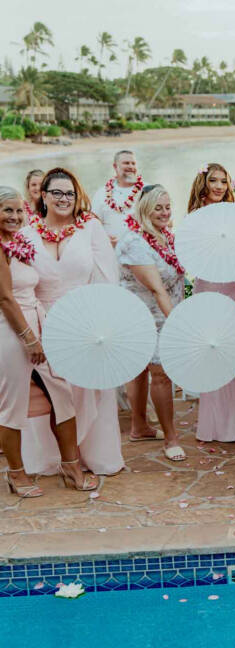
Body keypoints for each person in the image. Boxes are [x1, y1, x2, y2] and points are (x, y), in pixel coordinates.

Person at [19, 168, 123, 475]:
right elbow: (21, 283)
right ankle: (50, 458)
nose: (64, 199)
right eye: (57, 193)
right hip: (42, 321)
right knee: (51, 393)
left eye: (70, 193)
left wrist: (103, 321)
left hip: (85, 319)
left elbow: (107, 276)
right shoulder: (27, 233)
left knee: (91, 389)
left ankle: (97, 455)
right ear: (44, 196)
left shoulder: (90, 227)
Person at [0, 186, 97, 496]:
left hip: (38, 325)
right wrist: (29, 340)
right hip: (11, 331)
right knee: (11, 406)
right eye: (7, 210)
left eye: (18, 210)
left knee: (63, 393)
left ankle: (70, 465)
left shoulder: (17, 243)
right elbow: (5, 298)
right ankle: (16, 474)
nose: (15, 216)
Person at [188, 164, 235, 445]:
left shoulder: (234, 214)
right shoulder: (196, 218)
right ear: (203, 183)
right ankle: (219, 425)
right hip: (211, 285)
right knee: (216, 352)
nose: (218, 186)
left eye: (223, 181)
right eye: (213, 181)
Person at [116, 185, 187, 460]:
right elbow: (157, 289)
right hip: (146, 315)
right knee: (159, 372)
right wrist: (181, 324)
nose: (165, 212)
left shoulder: (166, 236)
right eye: (158, 208)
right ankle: (171, 439)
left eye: (168, 207)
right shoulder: (134, 242)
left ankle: (139, 426)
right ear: (144, 209)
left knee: (141, 370)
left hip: (166, 309)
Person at [90, 150, 144, 244]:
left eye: (133, 163)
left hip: (141, 250)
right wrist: (103, 238)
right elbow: (93, 224)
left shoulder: (147, 191)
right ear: (115, 166)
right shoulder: (101, 193)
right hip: (111, 251)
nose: (131, 167)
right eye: (126, 163)